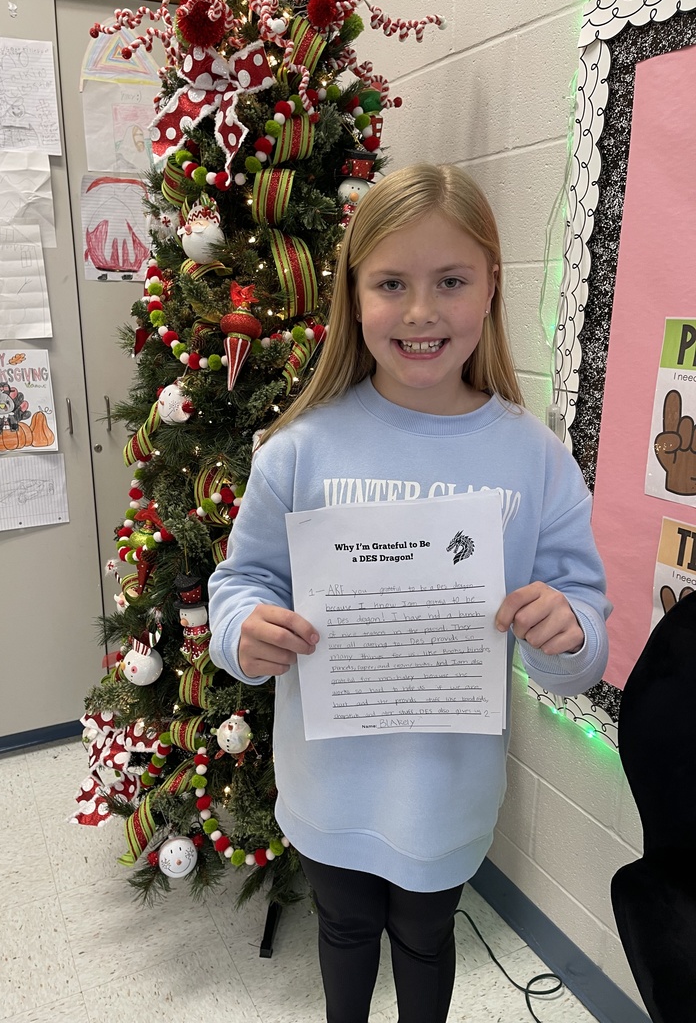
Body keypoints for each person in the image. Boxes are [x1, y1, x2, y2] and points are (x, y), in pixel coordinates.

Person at [208, 162, 610, 1023]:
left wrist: (568, 632)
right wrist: (244, 630)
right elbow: (241, 581)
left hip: (447, 790)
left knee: (428, 939)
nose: (422, 311)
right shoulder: (300, 451)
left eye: (451, 282)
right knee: (346, 931)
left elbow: (581, 621)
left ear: (492, 288)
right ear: (355, 297)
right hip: (329, 783)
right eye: (392, 283)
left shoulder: (531, 457)